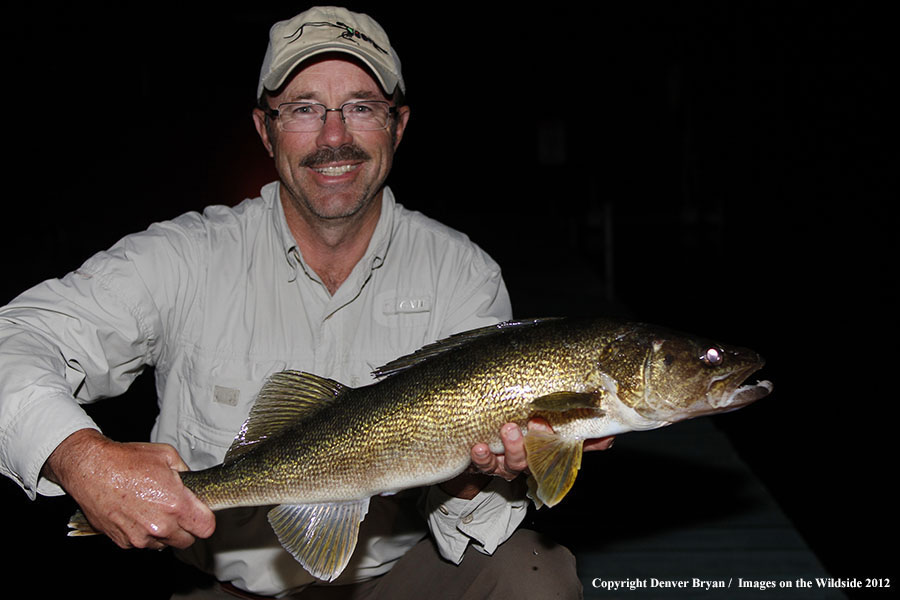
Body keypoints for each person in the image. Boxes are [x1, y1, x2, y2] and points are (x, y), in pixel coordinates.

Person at [0, 7, 610, 599]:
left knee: (536, 575)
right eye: (303, 109)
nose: (334, 136)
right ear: (265, 130)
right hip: (224, 581)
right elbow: (14, 339)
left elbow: (472, 520)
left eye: (361, 107)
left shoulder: (462, 273)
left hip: (396, 576)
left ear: (397, 126)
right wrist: (81, 460)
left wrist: (485, 475)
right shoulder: (184, 257)